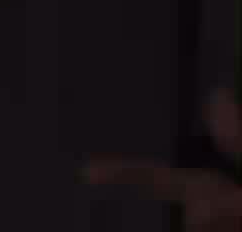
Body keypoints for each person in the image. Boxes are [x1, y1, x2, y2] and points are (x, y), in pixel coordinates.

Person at [85, 90, 242, 228]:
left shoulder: (209, 191)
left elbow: (157, 178)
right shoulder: (207, 189)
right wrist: (115, 171)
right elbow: (156, 178)